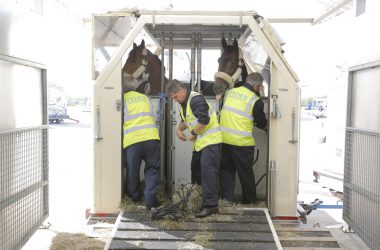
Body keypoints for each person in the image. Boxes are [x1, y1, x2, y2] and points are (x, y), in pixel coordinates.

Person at [167, 80, 222, 218]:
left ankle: (211, 206)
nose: (174, 100)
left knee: (207, 172)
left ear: (181, 90)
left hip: (211, 141)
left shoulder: (195, 99)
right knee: (196, 169)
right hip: (201, 144)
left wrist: (193, 134)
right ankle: (198, 201)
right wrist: (179, 130)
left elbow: (204, 120)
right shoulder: (183, 104)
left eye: (175, 97)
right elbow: (187, 120)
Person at [219, 72, 267, 204]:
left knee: (226, 173)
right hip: (242, 143)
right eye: (261, 87)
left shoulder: (230, 92)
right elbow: (262, 122)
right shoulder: (255, 100)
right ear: (257, 86)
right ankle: (250, 202)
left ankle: (226, 201)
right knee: (246, 174)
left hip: (224, 140)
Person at [123, 75, 160, 210]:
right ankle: (150, 200)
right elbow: (153, 116)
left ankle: (135, 197)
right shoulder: (146, 98)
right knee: (152, 169)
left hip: (133, 140)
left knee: (132, 169)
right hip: (151, 138)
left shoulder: (122, 100)